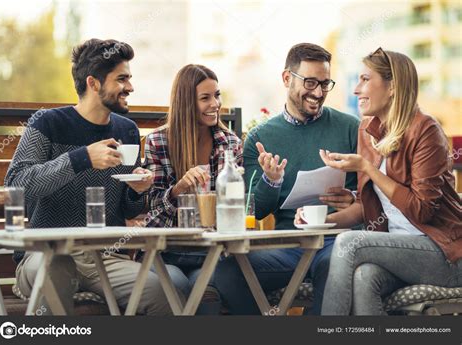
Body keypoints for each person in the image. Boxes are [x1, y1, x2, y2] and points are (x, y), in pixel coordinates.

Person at [5, 38, 189, 315]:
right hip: (46, 254)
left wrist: (138, 190)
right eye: (122, 79)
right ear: (93, 83)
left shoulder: (126, 130)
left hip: (105, 258)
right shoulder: (47, 123)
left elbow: (128, 208)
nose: (130, 87)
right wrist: (80, 159)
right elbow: (17, 184)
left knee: (162, 293)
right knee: (58, 269)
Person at [296, 48, 462, 315]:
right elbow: (367, 206)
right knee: (364, 278)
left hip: (444, 254)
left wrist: (368, 169)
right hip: (398, 251)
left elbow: (422, 210)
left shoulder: (425, 131)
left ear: (393, 86)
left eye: (364, 79)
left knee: (348, 243)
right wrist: (321, 221)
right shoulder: (368, 130)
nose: (356, 89)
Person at [210, 43, 361, 315]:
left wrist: (353, 199)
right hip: (288, 246)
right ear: (287, 79)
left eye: (325, 84)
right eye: (311, 82)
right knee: (226, 270)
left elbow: (373, 195)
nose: (318, 93)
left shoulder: (351, 128)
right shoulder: (260, 138)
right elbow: (254, 210)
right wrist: (271, 181)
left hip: (336, 241)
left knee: (335, 266)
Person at [141, 64, 242, 313]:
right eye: (205, 98)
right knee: (177, 285)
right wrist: (178, 189)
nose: (215, 104)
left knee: (207, 292)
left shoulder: (229, 144)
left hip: (210, 252)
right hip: (165, 251)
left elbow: (235, 207)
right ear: (186, 102)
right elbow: (150, 205)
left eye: (217, 95)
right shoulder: (158, 141)